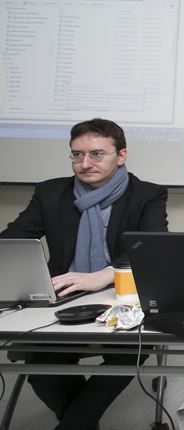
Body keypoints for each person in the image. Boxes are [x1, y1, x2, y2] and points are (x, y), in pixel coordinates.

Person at [0, 118, 168, 430]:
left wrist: (104, 275)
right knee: (42, 365)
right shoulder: (51, 193)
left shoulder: (147, 194)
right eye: (77, 155)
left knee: (129, 352)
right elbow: (12, 242)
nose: (85, 163)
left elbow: (152, 247)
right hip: (63, 297)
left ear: (121, 156)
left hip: (122, 297)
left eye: (96, 154)